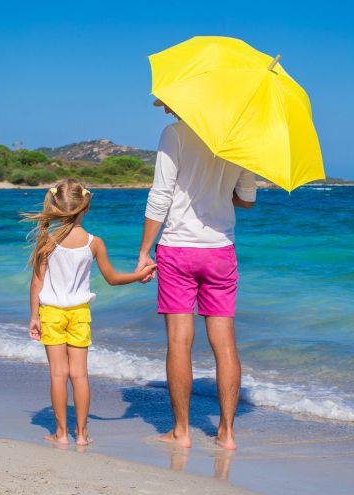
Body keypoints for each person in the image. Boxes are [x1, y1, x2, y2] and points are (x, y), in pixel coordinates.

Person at [136, 101, 256, 450]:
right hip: (220, 249)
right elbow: (247, 200)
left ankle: (182, 431)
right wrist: (217, 188)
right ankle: (227, 434)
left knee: (179, 341)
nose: (164, 109)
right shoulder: (239, 140)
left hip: (177, 248)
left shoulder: (175, 134)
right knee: (225, 343)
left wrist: (145, 251)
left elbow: (161, 195)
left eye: (169, 103)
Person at [23, 179, 157, 446]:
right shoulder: (94, 243)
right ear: (85, 208)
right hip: (80, 313)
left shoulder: (46, 241)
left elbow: (36, 282)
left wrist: (34, 316)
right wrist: (139, 275)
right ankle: (82, 435)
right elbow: (113, 279)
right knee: (80, 375)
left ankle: (61, 433)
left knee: (58, 375)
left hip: (52, 313)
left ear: (57, 206)